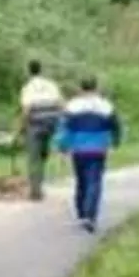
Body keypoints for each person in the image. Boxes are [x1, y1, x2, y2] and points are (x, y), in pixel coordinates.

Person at [54, 77, 122, 233]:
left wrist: (62, 147)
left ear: (80, 88)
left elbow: (64, 129)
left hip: (78, 149)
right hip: (98, 148)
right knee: (94, 181)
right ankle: (90, 215)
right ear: (96, 87)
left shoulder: (72, 106)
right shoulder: (106, 106)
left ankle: (81, 213)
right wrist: (115, 143)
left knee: (81, 181)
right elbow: (116, 126)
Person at [17, 59, 64, 201]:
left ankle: (35, 190)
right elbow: (61, 104)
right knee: (43, 154)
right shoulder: (51, 85)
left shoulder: (27, 88)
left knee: (33, 157)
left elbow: (26, 109)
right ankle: (38, 183)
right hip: (51, 124)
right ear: (41, 70)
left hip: (35, 125)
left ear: (28, 71)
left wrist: (21, 127)